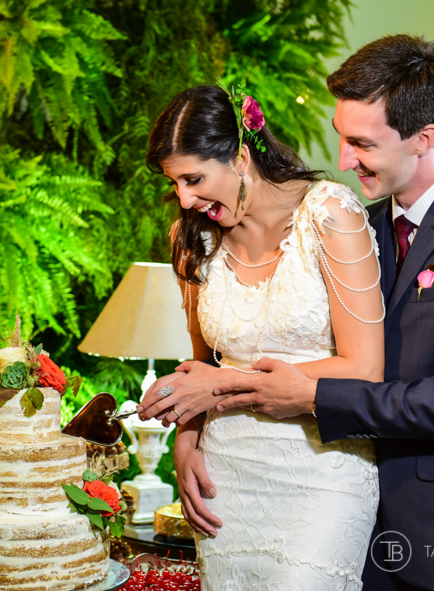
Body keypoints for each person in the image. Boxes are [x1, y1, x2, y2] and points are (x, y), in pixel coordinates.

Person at [164, 35, 434, 591]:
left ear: (424, 138)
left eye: (361, 144)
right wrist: (193, 430)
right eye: (341, 138)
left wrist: (307, 395)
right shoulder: (354, 223)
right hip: (358, 519)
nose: (344, 161)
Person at [137, 82, 385, 589]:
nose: (184, 198)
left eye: (194, 178)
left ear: (241, 156)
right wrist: (186, 443)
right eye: (174, 182)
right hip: (225, 478)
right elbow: (200, 369)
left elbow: (365, 368)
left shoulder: (330, 215)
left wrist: (221, 386)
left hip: (321, 475)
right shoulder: (192, 238)